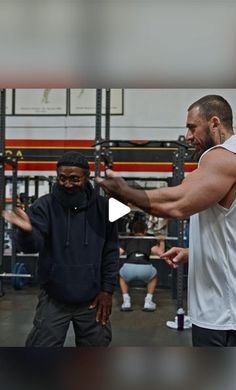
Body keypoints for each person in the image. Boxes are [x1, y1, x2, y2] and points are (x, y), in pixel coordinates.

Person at [96, 95, 236, 346]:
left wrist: (124, 192)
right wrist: (194, 252)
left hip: (223, 316)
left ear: (215, 123)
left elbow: (177, 204)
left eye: (193, 127)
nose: (189, 136)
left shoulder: (222, 156)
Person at [2, 151, 119, 347]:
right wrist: (26, 232)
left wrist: (107, 290)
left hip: (93, 298)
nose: (67, 184)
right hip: (54, 296)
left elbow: (111, 251)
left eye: (74, 179)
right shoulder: (44, 206)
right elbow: (32, 244)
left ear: (86, 178)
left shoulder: (104, 208)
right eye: (62, 178)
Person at [119, 220, 165, 312]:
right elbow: (161, 253)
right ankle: (148, 301)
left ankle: (126, 302)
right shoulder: (149, 239)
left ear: (133, 231)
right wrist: (162, 241)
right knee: (154, 275)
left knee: (121, 276)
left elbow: (118, 253)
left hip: (129, 268)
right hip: (145, 269)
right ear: (145, 230)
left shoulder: (127, 239)